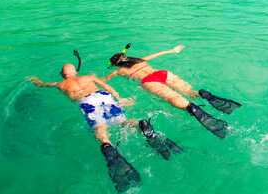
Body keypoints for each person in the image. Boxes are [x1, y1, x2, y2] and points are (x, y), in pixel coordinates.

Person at [27, 63, 182, 192]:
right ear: (76, 71)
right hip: (103, 96)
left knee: (100, 128)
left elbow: (42, 84)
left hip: (86, 102)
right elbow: (108, 87)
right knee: (123, 121)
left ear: (62, 74)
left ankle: (107, 146)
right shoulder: (89, 77)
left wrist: (35, 80)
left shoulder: (60, 84)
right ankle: (140, 125)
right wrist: (120, 98)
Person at [103, 45, 241, 139]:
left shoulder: (120, 71)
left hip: (149, 81)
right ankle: (202, 94)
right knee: (189, 91)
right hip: (162, 74)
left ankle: (191, 108)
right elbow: (158, 54)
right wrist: (173, 50)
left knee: (174, 98)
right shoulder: (140, 60)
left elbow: (104, 80)